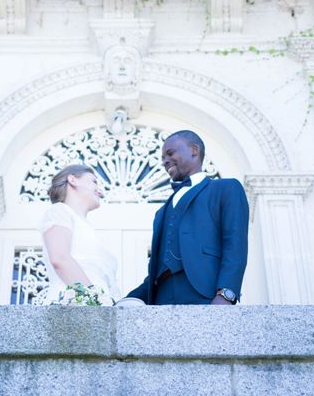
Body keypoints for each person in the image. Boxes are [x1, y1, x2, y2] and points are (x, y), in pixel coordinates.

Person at [126, 130, 249, 305]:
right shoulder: (161, 212)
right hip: (162, 300)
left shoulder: (226, 189)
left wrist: (226, 294)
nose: (164, 161)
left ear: (193, 149)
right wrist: (124, 301)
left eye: (170, 153)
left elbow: (235, 245)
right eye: (162, 158)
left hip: (207, 296)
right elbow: (157, 269)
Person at [39, 164, 120, 305]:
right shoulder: (59, 211)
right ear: (73, 180)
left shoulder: (89, 228)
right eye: (94, 181)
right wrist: (95, 301)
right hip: (71, 304)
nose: (100, 191)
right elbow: (60, 258)